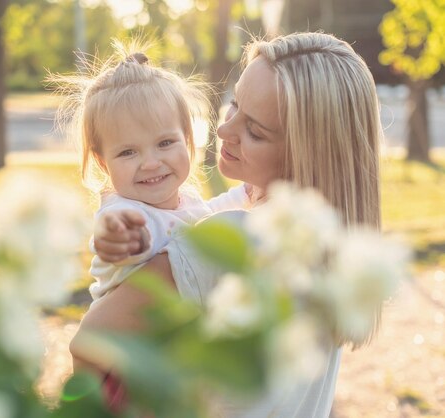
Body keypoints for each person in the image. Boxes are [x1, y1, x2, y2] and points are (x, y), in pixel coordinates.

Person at [70, 31, 383, 417]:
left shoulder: (235, 241)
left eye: (254, 130)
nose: (223, 130)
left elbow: (88, 346)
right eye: (234, 105)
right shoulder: (334, 249)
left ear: (304, 151)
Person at [51, 43, 250, 304]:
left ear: (188, 139)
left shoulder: (186, 200)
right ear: (102, 163)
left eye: (165, 143)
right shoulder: (123, 212)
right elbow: (133, 238)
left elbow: (210, 217)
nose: (151, 163)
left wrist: (247, 192)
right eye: (128, 152)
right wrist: (121, 238)